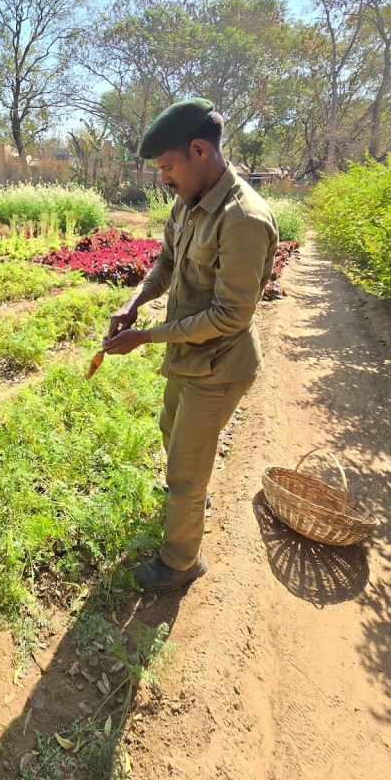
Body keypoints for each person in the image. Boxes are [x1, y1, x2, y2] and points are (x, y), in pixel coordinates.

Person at [103, 98, 278, 593]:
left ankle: (182, 562)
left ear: (199, 149)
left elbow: (229, 315)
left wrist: (149, 337)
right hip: (187, 354)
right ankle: (190, 505)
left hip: (220, 366)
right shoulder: (189, 202)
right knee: (172, 433)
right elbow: (165, 263)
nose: (163, 180)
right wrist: (135, 301)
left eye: (167, 167)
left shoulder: (243, 218)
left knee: (184, 469)